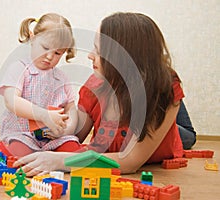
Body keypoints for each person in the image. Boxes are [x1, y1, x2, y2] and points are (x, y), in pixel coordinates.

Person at [12, 12, 187, 176]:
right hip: (132, 95)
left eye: (98, 50)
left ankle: (178, 123)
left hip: (158, 112)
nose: (89, 56)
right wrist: (46, 123)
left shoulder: (165, 87)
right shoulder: (95, 85)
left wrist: (59, 161)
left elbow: (130, 161)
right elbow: (75, 134)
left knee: (187, 134)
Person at [0, 13, 80, 158]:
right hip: (22, 135)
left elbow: (71, 110)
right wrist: (44, 115)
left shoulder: (62, 78)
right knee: (19, 154)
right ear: (33, 37)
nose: (49, 56)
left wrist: (66, 130)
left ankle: (72, 153)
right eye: (45, 48)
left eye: (57, 53)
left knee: (73, 153)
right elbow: (11, 101)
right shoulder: (19, 69)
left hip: (53, 139)